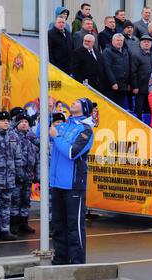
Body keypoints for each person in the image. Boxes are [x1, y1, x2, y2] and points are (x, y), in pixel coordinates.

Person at [49, 98, 94, 265]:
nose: (73, 103)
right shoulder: (64, 125)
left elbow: (71, 152)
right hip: (57, 183)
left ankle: (77, 261)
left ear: (84, 108)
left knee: (74, 226)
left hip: (73, 184)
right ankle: (60, 259)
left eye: (77, 102)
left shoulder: (86, 130)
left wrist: (57, 137)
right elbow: (40, 133)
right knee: (58, 225)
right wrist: (47, 112)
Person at [0, 111, 22, 242]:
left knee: (7, 204)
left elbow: (18, 156)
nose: (6, 122)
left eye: (7, 120)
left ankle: (4, 230)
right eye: (3, 121)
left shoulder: (13, 136)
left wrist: (19, 173)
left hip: (10, 177)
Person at [10, 113, 39, 235]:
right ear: (16, 124)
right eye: (21, 121)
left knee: (26, 200)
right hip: (16, 175)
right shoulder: (12, 137)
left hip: (28, 175)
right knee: (15, 200)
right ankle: (14, 224)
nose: (24, 123)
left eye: (26, 122)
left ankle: (24, 222)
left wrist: (36, 174)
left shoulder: (32, 138)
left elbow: (38, 156)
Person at [130, 34, 152, 119]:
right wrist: (135, 86)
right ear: (140, 43)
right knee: (139, 109)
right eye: (144, 42)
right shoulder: (136, 55)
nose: (147, 43)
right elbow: (133, 72)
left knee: (151, 109)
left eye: (148, 42)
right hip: (140, 87)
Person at [102, 33, 131, 107]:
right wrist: (113, 82)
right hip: (112, 86)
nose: (119, 42)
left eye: (121, 40)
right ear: (112, 41)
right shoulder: (107, 52)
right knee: (112, 106)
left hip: (123, 85)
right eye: (117, 40)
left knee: (120, 106)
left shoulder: (125, 51)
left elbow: (128, 67)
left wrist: (129, 83)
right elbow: (107, 68)